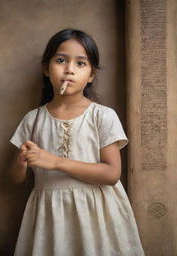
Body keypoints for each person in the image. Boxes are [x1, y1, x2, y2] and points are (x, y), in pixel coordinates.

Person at [8, 28, 144, 256]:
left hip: (98, 215)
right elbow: (15, 178)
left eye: (80, 64)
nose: (69, 70)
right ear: (46, 68)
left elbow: (111, 174)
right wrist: (21, 163)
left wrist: (55, 162)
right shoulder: (33, 120)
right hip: (50, 216)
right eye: (61, 60)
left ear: (91, 75)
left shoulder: (102, 116)